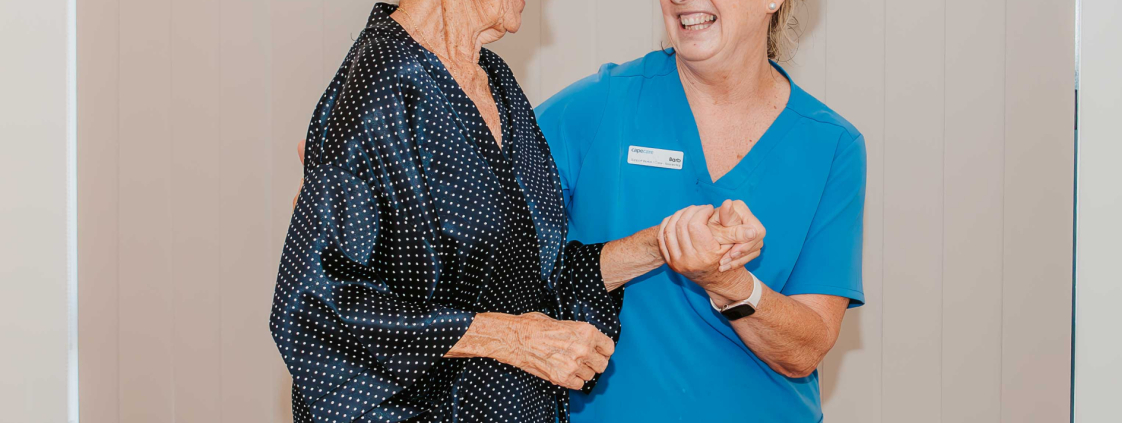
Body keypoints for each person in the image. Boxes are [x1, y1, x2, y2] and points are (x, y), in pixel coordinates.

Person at [271, 1, 763, 423]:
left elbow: (529, 280)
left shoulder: (495, 81)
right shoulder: (379, 85)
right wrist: (512, 338)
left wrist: (667, 241)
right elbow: (315, 305)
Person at [534, 0, 868, 421]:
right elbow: (482, 267)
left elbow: (805, 349)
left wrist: (731, 284)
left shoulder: (831, 145)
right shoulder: (592, 109)